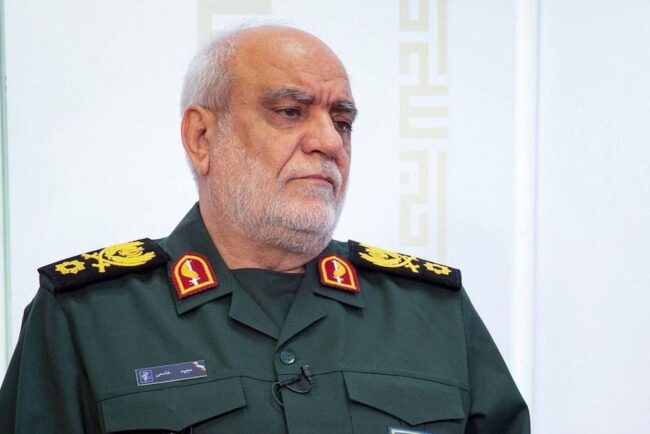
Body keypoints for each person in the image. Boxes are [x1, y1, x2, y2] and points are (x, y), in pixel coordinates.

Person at [0, 25, 530, 433]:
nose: (329, 142)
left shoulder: (432, 314)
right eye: (290, 111)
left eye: (342, 121)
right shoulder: (88, 317)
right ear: (202, 137)